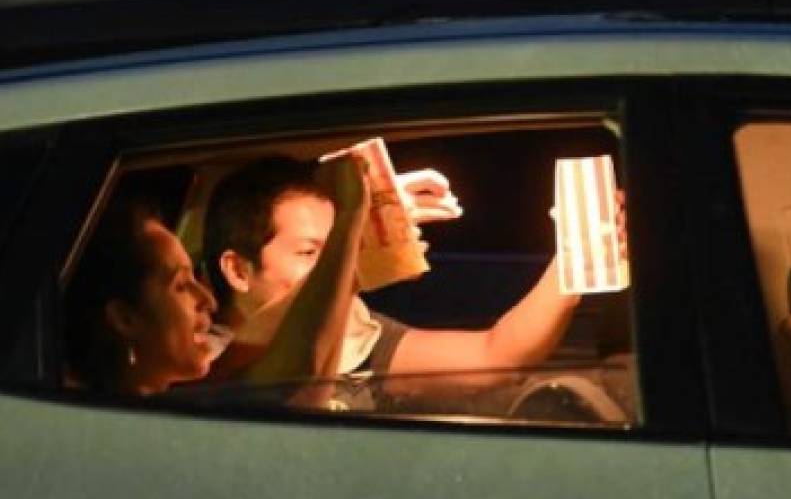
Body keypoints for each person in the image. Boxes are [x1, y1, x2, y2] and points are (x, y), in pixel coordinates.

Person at [201, 154, 588, 382]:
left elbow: (497, 355)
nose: (335, 265)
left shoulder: (355, 334)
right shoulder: (197, 357)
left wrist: (576, 254)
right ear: (238, 270)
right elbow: (261, 371)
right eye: (309, 253)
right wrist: (356, 260)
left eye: (336, 248)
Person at [63, 155, 370, 396]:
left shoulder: (181, 395)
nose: (207, 299)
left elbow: (276, 336)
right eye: (181, 285)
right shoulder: (156, 418)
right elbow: (299, 378)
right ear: (126, 318)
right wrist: (350, 219)